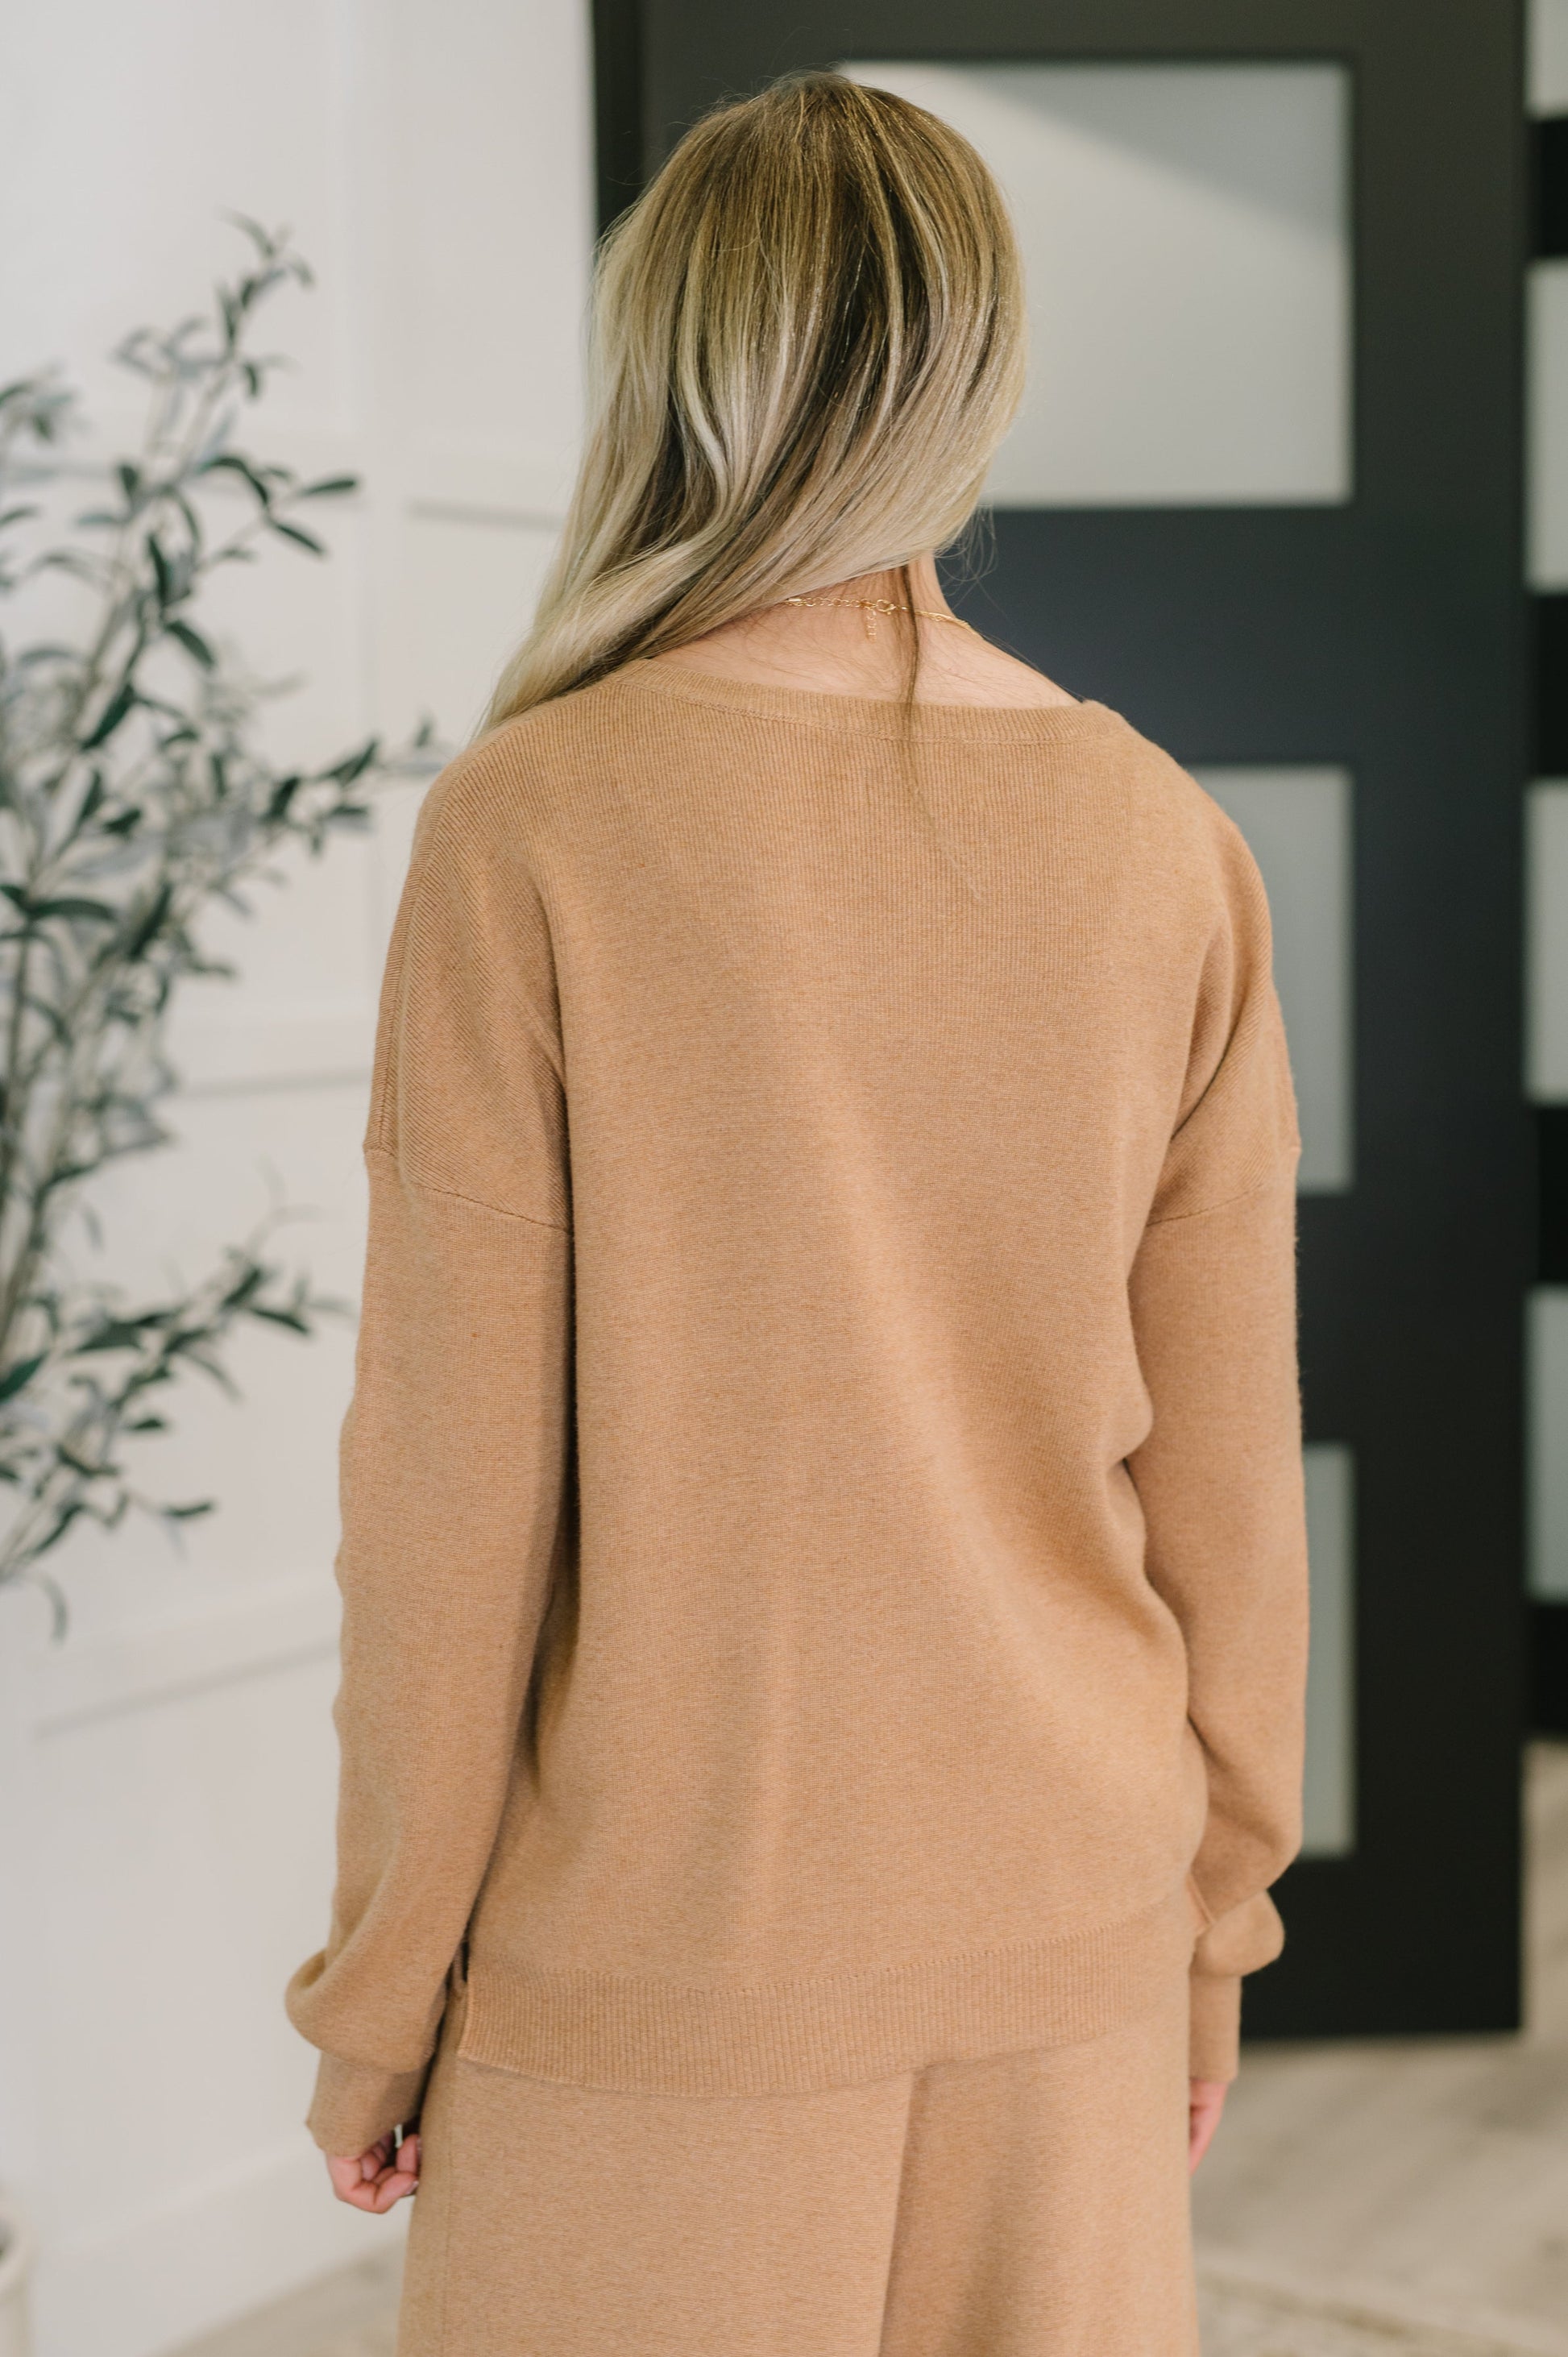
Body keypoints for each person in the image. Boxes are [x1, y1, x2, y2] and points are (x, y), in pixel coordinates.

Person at [285, 69, 1308, 2357]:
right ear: (978, 374)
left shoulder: (536, 823)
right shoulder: (1168, 843)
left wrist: (383, 1991)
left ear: (670, 363)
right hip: (1069, 1936)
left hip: (657, 1980)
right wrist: (1208, 1940)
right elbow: (1227, 1491)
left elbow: (449, 1498)